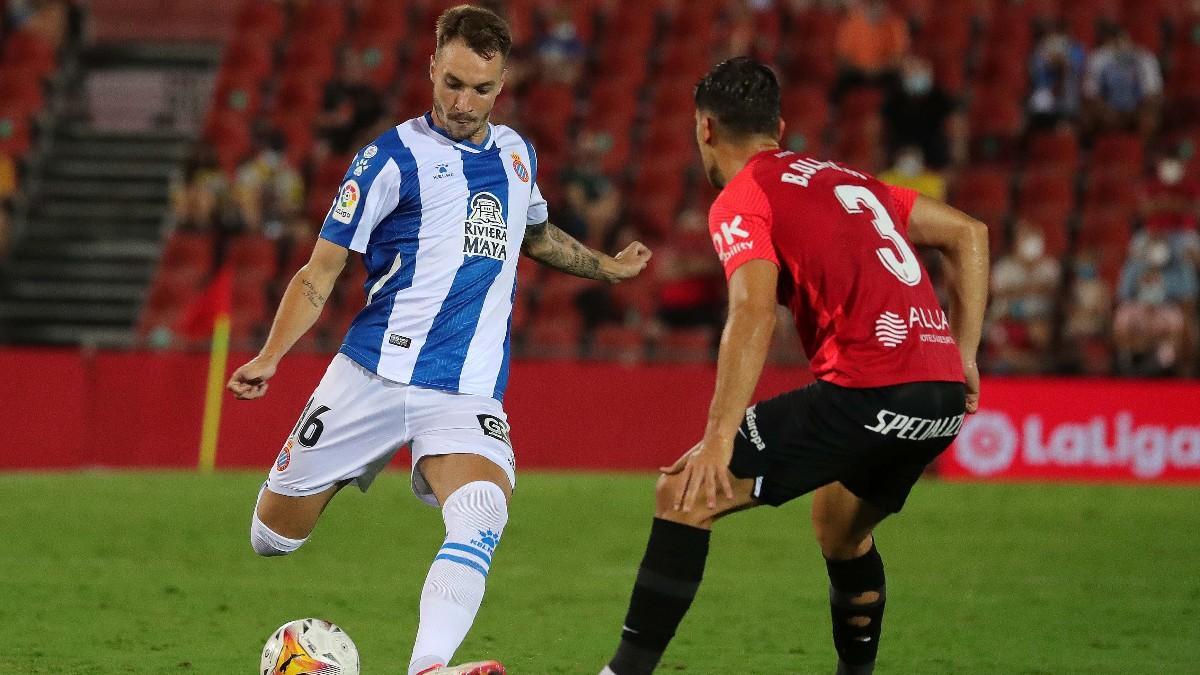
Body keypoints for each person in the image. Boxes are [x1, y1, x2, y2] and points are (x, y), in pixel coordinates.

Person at [226, 7, 651, 675]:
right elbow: (321, 271)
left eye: (480, 89)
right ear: (430, 68)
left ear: (503, 82)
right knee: (272, 537)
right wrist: (271, 355)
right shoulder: (389, 158)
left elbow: (535, 235)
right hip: (370, 376)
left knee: (483, 508)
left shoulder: (516, 154)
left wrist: (607, 265)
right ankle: (340, 471)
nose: (462, 102)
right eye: (452, 83)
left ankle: (428, 666)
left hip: (463, 391)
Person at [600, 57, 988, 675]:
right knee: (840, 530)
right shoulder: (841, 177)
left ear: (704, 129)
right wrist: (962, 355)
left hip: (868, 389)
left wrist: (718, 440)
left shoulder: (742, 197)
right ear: (778, 126)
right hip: (938, 397)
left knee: (682, 494)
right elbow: (969, 233)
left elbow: (753, 313)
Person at [1082, 26, 1163, 139]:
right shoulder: (1098, 58)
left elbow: (1153, 92)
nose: (1120, 44)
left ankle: (1140, 152)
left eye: (1124, 40)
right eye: (1116, 41)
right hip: (1107, 107)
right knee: (1090, 115)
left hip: (1137, 108)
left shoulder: (1145, 58)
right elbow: (1090, 92)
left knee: (1148, 117)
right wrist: (1106, 109)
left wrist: (1141, 108)